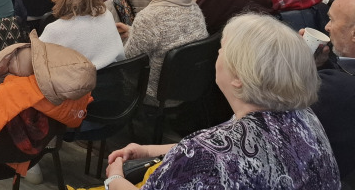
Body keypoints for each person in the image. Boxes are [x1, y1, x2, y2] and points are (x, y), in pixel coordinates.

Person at [105, 13, 340, 190]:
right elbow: (213, 151)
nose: (217, 54)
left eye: (222, 49)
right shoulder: (302, 115)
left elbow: (208, 155)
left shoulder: (208, 155)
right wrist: (148, 150)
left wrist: (114, 177)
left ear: (239, 77)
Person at [116, 0, 207, 105]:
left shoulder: (150, 17)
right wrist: (134, 32)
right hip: (189, 88)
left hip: (154, 95)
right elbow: (171, 37)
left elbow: (129, 63)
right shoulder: (194, 8)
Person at [40, 0, 124, 69]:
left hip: (80, 80)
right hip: (119, 78)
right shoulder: (106, 15)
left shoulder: (54, 31)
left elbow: (36, 64)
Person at [310, 0, 355, 181]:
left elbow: (275, 102)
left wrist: (299, 63)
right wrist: (322, 64)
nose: (327, 27)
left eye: (332, 20)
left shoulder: (335, 89)